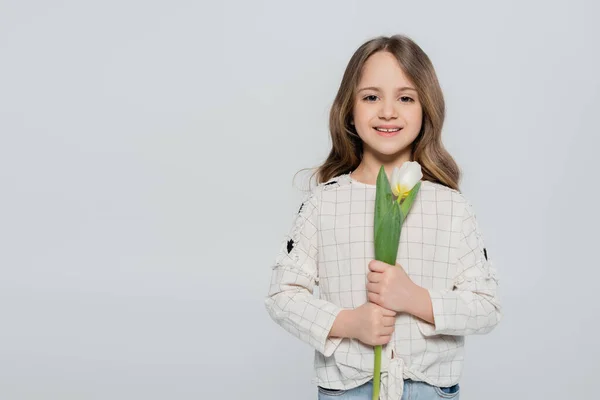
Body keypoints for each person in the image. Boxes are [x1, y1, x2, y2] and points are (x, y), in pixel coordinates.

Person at [264, 34, 501, 400]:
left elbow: (486, 306)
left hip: (429, 389)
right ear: (349, 109)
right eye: (371, 97)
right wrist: (348, 323)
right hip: (348, 389)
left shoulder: (451, 207)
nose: (387, 111)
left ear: (426, 110)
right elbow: (282, 294)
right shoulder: (323, 204)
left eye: (405, 98)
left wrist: (416, 298)